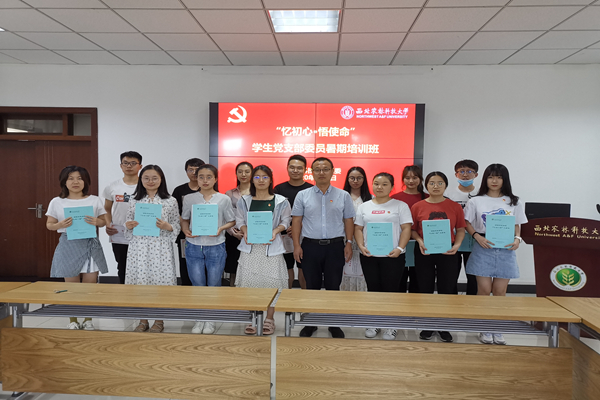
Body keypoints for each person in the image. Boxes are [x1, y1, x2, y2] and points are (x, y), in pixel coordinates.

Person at [464, 163, 527, 346]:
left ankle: (498, 328)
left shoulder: (514, 201)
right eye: (491, 177)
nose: (494, 181)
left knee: (500, 291)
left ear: (504, 180)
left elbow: (517, 224)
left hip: (506, 248)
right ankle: (484, 327)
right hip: (483, 246)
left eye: (499, 177)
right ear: (485, 179)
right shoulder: (475, 201)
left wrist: (517, 239)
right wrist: (477, 236)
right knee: (483, 290)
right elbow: (466, 222)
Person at [292, 157, 355, 339]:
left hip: (335, 247)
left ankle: (333, 323)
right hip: (310, 246)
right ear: (311, 172)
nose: (321, 172)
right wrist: (296, 245)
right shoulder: (302, 195)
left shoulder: (343, 195)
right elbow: (296, 221)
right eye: (317, 169)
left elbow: (348, 220)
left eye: (325, 169)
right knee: (311, 286)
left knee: (333, 286)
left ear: (332, 171)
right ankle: (310, 322)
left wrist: (349, 242)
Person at [46, 166, 108, 330]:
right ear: (64, 181)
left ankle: (88, 319)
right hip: (68, 244)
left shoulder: (94, 200)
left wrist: (98, 222)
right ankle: (73, 319)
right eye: (71, 178)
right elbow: (49, 225)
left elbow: (103, 221)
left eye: (80, 178)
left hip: (90, 244)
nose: (75, 182)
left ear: (85, 181)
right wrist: (60, 224)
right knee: (71, 286)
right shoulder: (57, 201)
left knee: (90, 286)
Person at [355, 172, 412, 340]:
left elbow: (406, 229)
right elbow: (358, 228)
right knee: (373, 289)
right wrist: (361, 246)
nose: (380, 187)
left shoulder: (400, 206)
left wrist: (400, 248)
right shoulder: (364, 206)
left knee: (391, 290)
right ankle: (374, 322)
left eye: (385, 184)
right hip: (369, 255)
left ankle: (391, 325)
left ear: (392, 187)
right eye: (376, 183)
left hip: (393, 256)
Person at [235, 165, 291, 335]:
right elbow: (239, 220)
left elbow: (286, 221)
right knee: (250, 284)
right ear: (252, 180)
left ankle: (269, 318)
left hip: (271, 249)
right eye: (257, 177)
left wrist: (275, 231)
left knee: (271, 284)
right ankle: (253, 318)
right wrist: (245, 230)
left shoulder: (281, 200)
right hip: (250, 249)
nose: (261, 180)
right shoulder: (244, 200)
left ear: (271, 180)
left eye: (265, 177)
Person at [124, 165, 180, 333]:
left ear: (161, 180)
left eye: (154, 178)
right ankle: (142, 320)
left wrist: (167, 226)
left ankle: (159, 320)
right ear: (140, 180)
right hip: (139, 247)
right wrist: (128, 225)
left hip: (160, 247)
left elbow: (176, 224)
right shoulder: (134, 200)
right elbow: (128, 222)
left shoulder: (170, 201)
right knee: (140, 283)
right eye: (146, 178)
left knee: (159, 282)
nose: (150, 181)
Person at [411, 171, 465, 343]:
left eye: (440, 183)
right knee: (425, 287)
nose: (436, 186)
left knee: (447, 288)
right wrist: (420, 241)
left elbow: (461, 229)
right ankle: (427, 324)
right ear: (426, 185)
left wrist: (456, 245)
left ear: (445, 185)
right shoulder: (417, 206)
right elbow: (412, 230)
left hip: (448, 252)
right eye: (432, 183)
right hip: (424, 251)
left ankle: (444, 325)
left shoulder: (454, 206)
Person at [181, 164, 235, 335]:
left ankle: (210, 318)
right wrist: (185, 230)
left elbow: (232, 221)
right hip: (194, 245)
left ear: (215, 179)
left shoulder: (223, 199)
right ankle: (200, 318)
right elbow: (184, 218)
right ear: (196, 179)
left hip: (216, 245)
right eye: (201, 177)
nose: (205, 180)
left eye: (209, 177)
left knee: (214, 284)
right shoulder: (189, 198)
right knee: (197, 284)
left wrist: (220, 229)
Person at [102, 151, 142, 284]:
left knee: (142, 265)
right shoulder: (112, 187)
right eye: (125, 163)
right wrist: (108, 224)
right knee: (122, 265)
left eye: (133, 163)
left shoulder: (145, 186)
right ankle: (125, 293)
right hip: (119, 232)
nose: (129, 166)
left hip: (141, 232)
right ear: (121, 166)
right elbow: (106, 209)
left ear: (140, 166)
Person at [274, 155, 313, 289]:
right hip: (284, 235)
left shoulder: (311, 189)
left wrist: (298, 226)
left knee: (304, 268)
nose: (295, 171)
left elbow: (314, 214)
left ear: (305, 170)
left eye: (299, 168)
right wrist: (286, 226)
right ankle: (287, 299)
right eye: (292, 167)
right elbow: (274, 213)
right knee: (287, 268)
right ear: (287, 168)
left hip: (305, 235)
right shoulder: (278, 189)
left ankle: (305, 299)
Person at [391, 165, 429, 293]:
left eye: (415, 177)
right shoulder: (394, 198)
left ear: (420, 179)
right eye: (407, 178)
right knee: (399, 279)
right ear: (403, 179)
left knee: (418, 279)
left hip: (421, 244)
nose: (411, 181)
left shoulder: (428, 197)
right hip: (399, 243)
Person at [445, 159, 479, 296]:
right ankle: (452, 303)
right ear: (456, 174)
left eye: (469, 171)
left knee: (474, 276)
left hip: (475, 239)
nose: (465, 175)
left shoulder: (481, 194)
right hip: (452, 239)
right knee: (451, 275)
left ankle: (473, 302)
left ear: (476, 174)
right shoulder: (447, 194)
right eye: (462, 171)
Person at [171, 158, 205, 286]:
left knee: (204, 264)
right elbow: (174, 212)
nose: (194, 173)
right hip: (185, 234)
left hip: (205, 235)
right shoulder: (179, 190)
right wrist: (185, 226)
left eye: (197, 170)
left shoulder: (209, 189)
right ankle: (186, 289)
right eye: (191, 170)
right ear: (186, 172)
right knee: (185, 263)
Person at [340, 166, 370, 292]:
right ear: (347, 179)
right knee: (345, 270)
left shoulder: (371, 198)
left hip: (364, 241)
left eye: (359, 178)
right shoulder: (341, 197)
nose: (355, 181)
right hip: (344, 239)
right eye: (352, 178)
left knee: (364, 272)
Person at [224, 161, 253, 286]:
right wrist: (232, 232)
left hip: (253, 236)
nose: (243, 174)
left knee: (251, 268)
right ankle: (233, 294)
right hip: (234, 235)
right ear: (236, 174)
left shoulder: (258, 193)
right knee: (233, 268)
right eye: (240, 172)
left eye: (247, 171)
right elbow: (225, 216)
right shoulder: (229, 194)